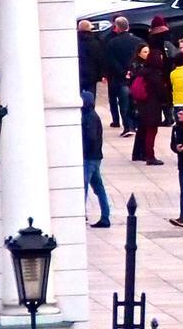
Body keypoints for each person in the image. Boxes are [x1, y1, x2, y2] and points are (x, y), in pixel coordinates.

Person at [129, 43, 166, 165]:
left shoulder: (143, 71)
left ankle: (140, 153)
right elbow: (161, 93)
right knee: (151, 131)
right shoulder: (154, 74)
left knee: (143, 129)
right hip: (152, 106)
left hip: (142, 105)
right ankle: (149, 155)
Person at [105, 16, 142, 134]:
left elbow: (111, 61)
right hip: (135, 76)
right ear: (128, 27)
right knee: (135, 102)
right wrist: (132, 71)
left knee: (123, 102)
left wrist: (122, 72)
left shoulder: (112, 43)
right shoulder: (138, 41)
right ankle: (135, 124)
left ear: (117, 28)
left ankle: (128, 126)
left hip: (119, 77)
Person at [81, 91, 111, 228]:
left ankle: (81, 214)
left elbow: (91, 137)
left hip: (89, 158)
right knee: (99, 188)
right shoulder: (92, 115)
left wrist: (83, 150)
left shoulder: (89, 117)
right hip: (95, 156)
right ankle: (105, 216)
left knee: (84, 186)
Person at [147, 15, 177, 126]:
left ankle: (167, 118)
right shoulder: (169, 35)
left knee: (161, 95)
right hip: (170, 69)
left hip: (159, 70)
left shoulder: (153, 39)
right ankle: (171, 117)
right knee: (169, 93)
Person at [77, 19, 107, 97]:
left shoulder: (75, 42)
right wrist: (102, 74)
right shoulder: (96, 42)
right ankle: (90, 108)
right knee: (91, 94)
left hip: (78, 72)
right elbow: (100, 59)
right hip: (92, 74)